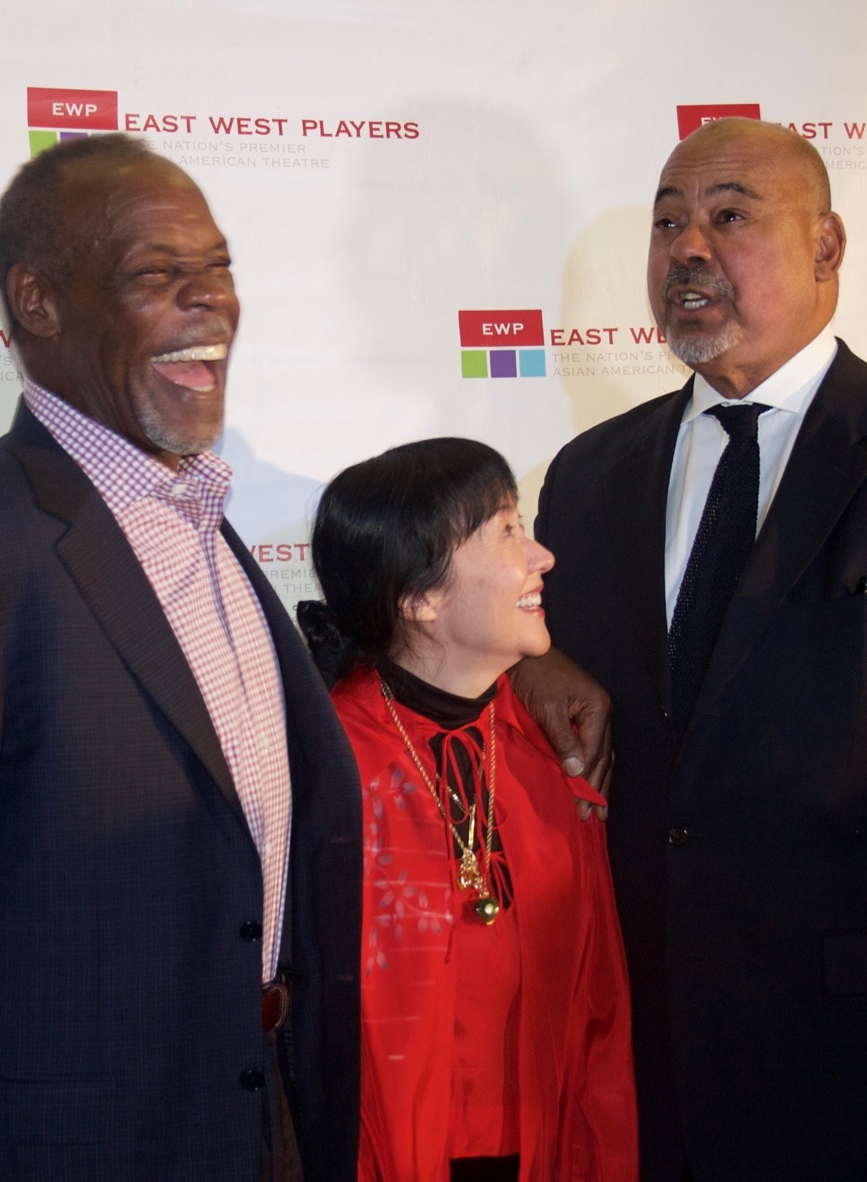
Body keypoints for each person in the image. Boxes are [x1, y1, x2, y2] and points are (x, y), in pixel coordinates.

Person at [0, 134, 361, 1181]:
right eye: (156, 273)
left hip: (266, 1124)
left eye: (219, 266)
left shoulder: (204, 521)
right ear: (39, 302)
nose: (210, 302)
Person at [515, 117, 867, 1182]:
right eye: (666, 222)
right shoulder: (584, 479)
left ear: (827, 247)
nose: (684, 248)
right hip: (630, 1106)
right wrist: (526, 662)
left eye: (728, 215)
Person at [298, 438, 637, 1182]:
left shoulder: (550, 753)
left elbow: (598, 1016)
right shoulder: (322, 773)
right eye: (508, 532)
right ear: (418, 597)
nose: (542, 556)